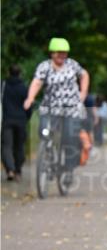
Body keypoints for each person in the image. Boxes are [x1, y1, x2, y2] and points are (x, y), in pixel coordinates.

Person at [23, 38, 90, 174]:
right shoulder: (45, 66)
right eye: (59, 53)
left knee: (69, 138)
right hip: (50, 107)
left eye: (64, 53)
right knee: (44, 131)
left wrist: (83, 92)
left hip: (71, 108)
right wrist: (30, 98)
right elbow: (37, 82)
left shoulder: (72, 65)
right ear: (52, 53)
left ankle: (68, 169)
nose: (62, 55)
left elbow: (84, 75)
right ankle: (48, 153)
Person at [2, 65, 29, 181]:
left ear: (9, 73)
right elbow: (29, 105)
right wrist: (27, 117)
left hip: (6, 120)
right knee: (19, 147)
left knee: (6, 146)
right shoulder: (24, 88)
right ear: (20, 73)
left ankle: (10, 169)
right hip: (21, 121)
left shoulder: (3, 86)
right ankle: (17, 170)